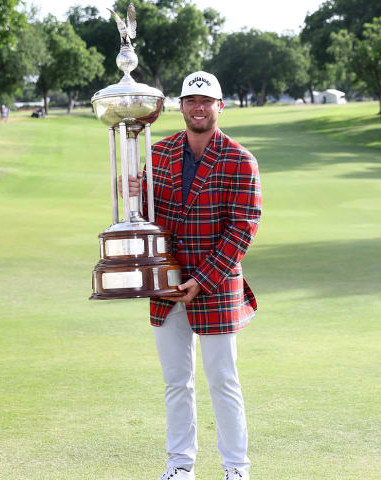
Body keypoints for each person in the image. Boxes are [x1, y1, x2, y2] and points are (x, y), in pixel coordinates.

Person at [123, 71, 261, 480]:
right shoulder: (160, 153)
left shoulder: (240, 159)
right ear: (180, 106)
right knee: (176, 382)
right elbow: (149, 220)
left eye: (206, 101)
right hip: (165, 284)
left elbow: (243, 228)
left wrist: (201, 279)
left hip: (215, 285)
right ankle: (180, 466)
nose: (198, 108)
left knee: (223, 380)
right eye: (190, 101)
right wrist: (132, 196)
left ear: (220, 106)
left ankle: (236, 468)